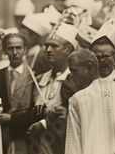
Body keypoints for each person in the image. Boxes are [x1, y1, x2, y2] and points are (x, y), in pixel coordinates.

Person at [65, 23, 115, 154]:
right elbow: (73, 143)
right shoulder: (78, 99)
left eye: (106, 56)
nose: (101, 61)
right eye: (96, 57)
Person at [27, 22, 78, 154]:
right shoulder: (39, 79)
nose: (48, 50)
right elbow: (30, 111)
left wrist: (45, 122)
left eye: (54, 46)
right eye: (47, 45)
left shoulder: (75, 80)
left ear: (67, 49)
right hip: (37, 145)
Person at [0, 33, 34, 154]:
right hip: (3, 136)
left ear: (25, 50)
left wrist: (11, 118)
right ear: (4, 51)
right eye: (10, 48)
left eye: (18, 48)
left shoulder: (33, 77)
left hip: (26, 137)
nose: (15, 52)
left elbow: (34, 110)